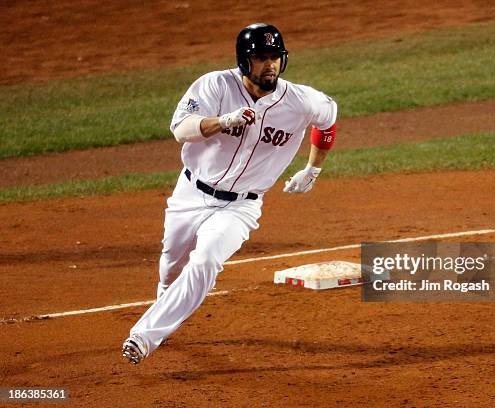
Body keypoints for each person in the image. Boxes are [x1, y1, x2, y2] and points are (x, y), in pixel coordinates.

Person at [122, 23, 337, 364]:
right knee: (171, 266)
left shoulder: (300, 101)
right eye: (261, 58)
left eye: (275, 57)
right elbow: (181, 129)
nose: (270, 65)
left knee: (206, 260)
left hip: (241, 207)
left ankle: (144, 336)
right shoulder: (215, 85)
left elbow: (329, 120)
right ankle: (167, 305)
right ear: (243, 60)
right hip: (190, 195)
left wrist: (313, 169)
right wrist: (221, 122)